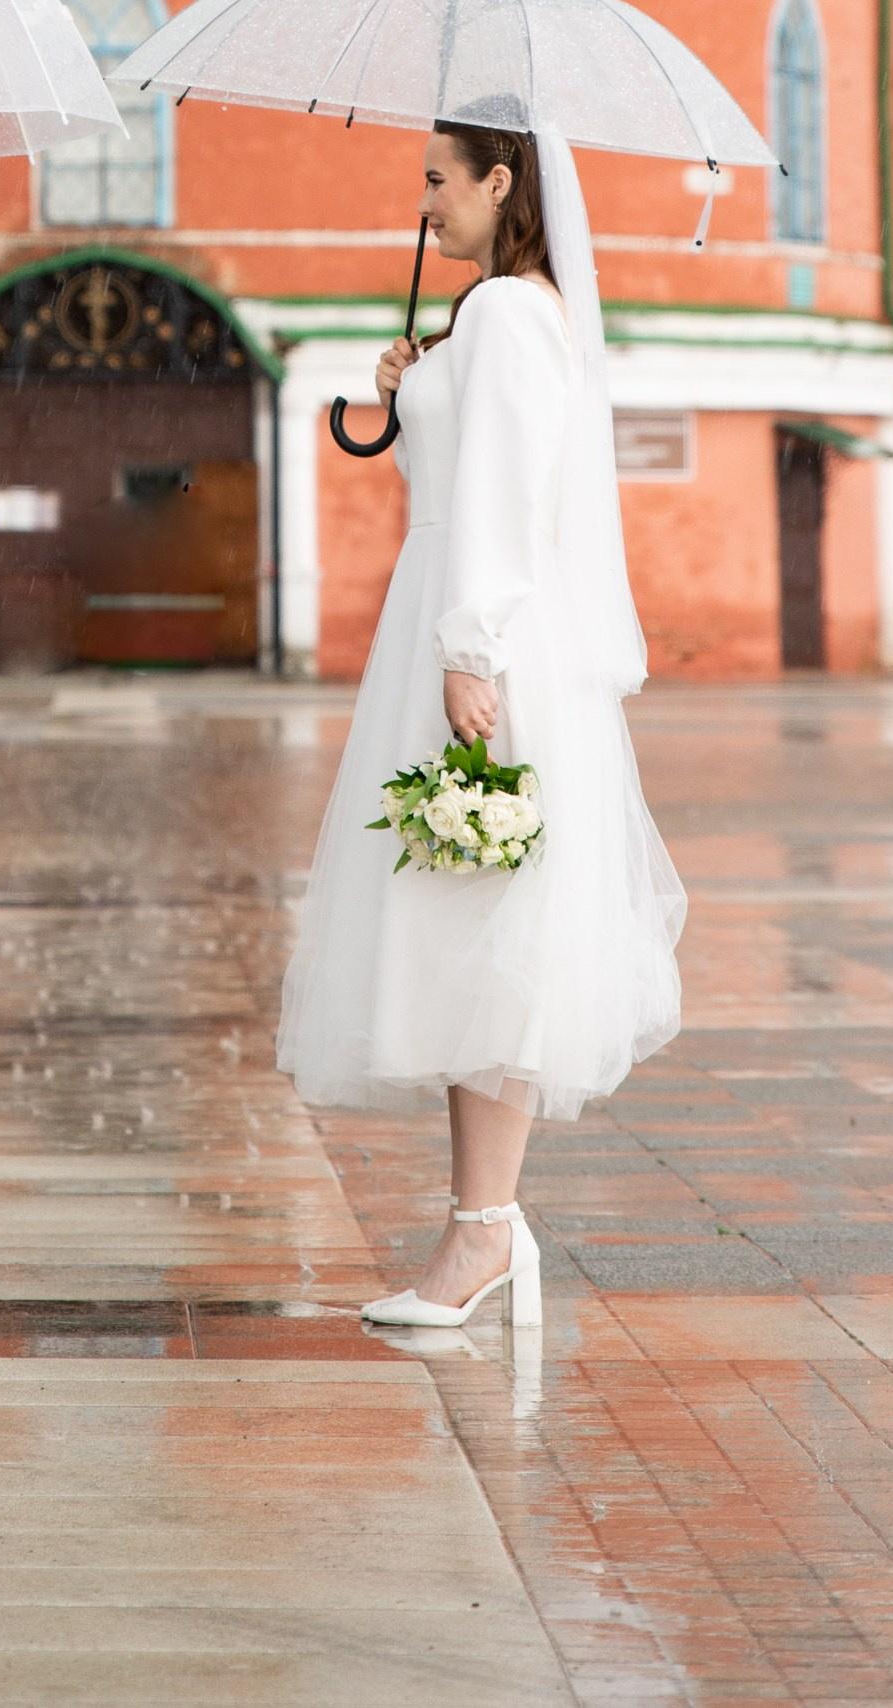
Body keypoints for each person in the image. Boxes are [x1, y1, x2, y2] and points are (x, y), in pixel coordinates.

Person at [278, 121, 686, 1331]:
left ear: (498, 179)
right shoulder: (499, 314)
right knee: (469, 916)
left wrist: (469, 648)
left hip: (479, 630)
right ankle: (479, 1223)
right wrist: (411, 396)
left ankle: (484, 1228)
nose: (421, 203)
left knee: (485, 915)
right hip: (469, 612)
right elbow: (468, 476)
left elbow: (506, 498)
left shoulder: (507, 309)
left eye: (435, 179)